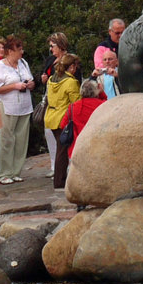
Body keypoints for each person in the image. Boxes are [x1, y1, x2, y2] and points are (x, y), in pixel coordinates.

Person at [0, 37, 34, 185]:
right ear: (10, 51)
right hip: (8, 107)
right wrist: (14, 86)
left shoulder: (23, 63)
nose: (22, 52)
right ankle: (4, 173)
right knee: (6, 140)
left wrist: (30, 84)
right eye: (18, 49)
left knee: (21, 140)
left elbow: (31, 80)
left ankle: (16, 171)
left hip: (25, 106)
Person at [45, 53, 81, 185]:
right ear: (71, 67)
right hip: (63, 118)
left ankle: (60, 178)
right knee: (62, 150)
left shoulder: (52, 80)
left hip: (51, 116)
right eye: (75, 66)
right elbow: (76, 102)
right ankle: (59, 181)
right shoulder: (70, 82)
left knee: (60, 149)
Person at [58, 78, 106, 163]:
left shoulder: (73, 107)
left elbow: (63, 125)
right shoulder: (101, 105)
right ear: (96, 90)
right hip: (97, 147)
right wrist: (101, 92)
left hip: (77, 148)